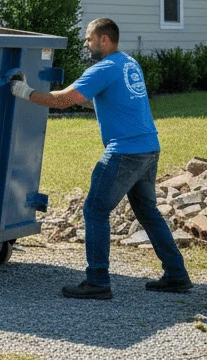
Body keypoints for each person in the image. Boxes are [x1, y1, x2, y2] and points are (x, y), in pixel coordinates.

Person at [10, 17, 190, 300]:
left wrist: (24, 92)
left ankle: (97, 281)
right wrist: (72, 99)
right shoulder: (129, 63)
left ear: (104, 40)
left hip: (125, 152)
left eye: (89, 38)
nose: (86, 43)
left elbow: (62, 100)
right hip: (148, 147)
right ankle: (177, 274)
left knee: (95, 210)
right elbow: (108, 99)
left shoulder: (104, 68)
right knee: (147, 212)